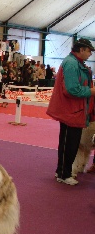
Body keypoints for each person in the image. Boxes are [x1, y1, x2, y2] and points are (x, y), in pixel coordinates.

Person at [46, 38, 95, 185]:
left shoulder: (73, 63)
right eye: (89, 51)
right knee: (70, 144)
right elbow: (71, 89)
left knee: (68, 143)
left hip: (74, 110)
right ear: (81, 50)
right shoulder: (72, 64)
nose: (90, 54)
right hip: (72, 111)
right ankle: (64, 174)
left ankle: (61, 171)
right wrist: (91, 91)